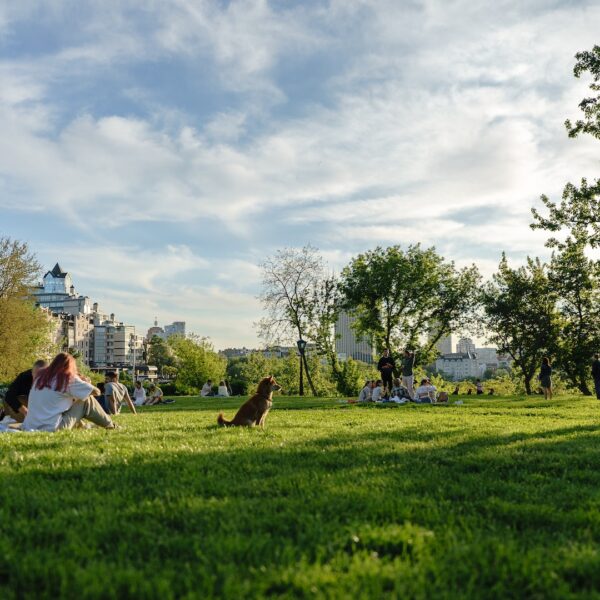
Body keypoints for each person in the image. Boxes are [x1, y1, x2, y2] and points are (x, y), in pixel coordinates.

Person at [23, 353, 116, 432]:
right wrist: (85, 383)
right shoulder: (67, 377)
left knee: (70, 401)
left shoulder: (40, 377)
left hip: (29, 426)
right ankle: (111, 425)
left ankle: (83, 426)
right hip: (53, 428)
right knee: (87, 399)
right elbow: (97, 392)